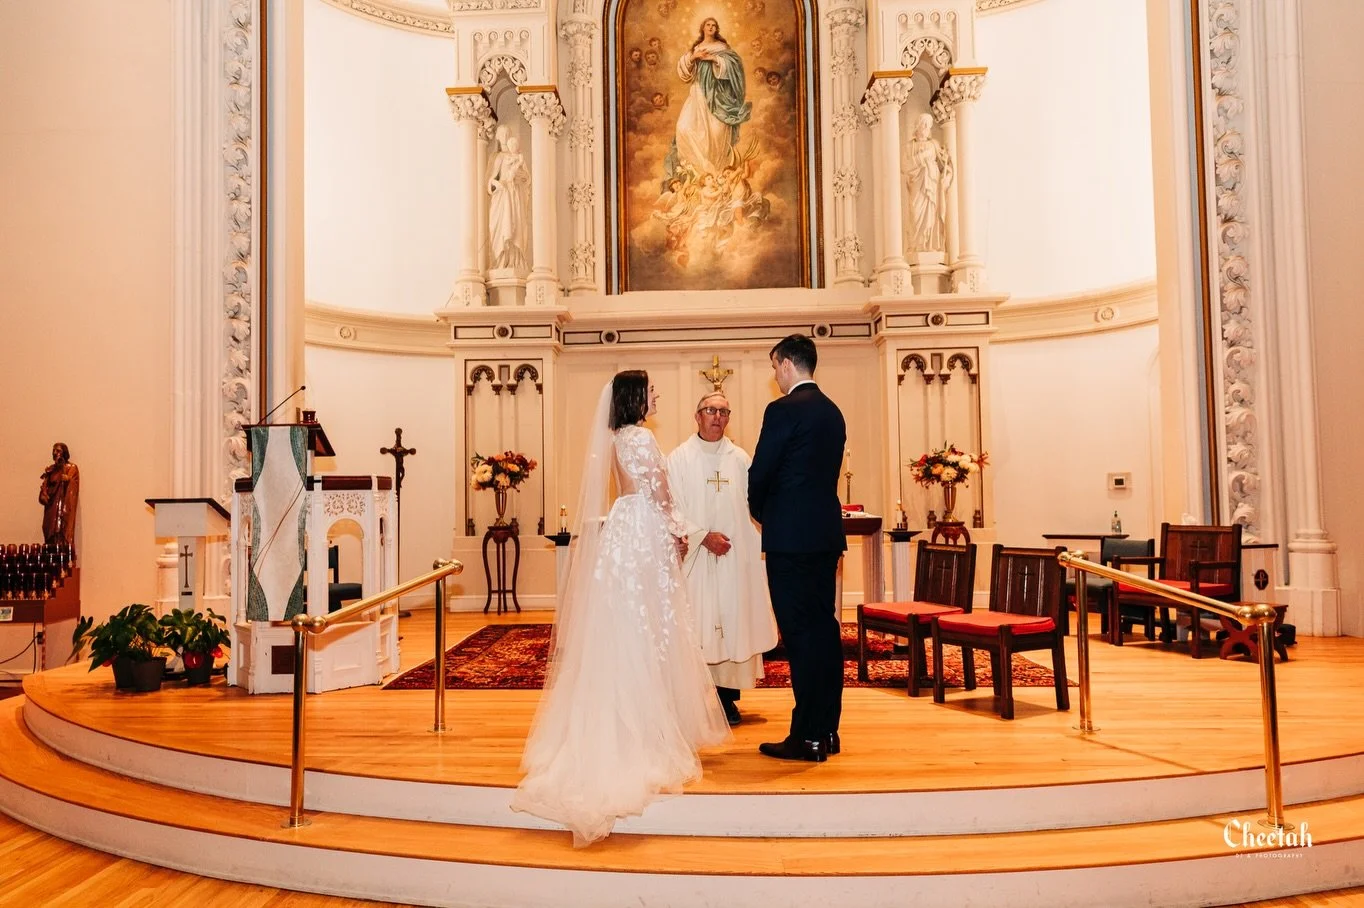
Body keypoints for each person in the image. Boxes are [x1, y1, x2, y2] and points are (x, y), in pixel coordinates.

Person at [511, 371, 729, 846]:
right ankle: (645, 733)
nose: (657, 397)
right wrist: (682, 531)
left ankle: (615, 722)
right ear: (634, 398)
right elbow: (660, 495)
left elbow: (631, 491)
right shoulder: (643, 439)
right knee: (652, 627)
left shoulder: (612, 439)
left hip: (622, 531)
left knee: (620, 628)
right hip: (645, 532)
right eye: (651, 392)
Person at [748, 335, 847, 762]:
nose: (775, 375)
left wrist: (765, 513)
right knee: (824, 632)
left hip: (791, 539)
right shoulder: (832, 411)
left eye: (775, 367)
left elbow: (761, 472)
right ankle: (827, 731)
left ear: (787, 364)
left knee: (802, 638)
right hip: (825, 535)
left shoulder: (782, 409)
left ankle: (805, 736)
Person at [667, 390, 778, 726]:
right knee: (699, 623)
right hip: (697, 558)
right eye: (710, 410)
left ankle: (727, 700)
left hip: (733, 559)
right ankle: (695, 700)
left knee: (732, 620)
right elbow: (672, 505)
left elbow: (754, 505)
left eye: (724, 412)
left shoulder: (741, 459)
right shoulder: (679, 459)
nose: (717, 416)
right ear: (697, 415)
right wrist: (703, 536)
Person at [673, 18, 752, 176]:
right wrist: (694, 57)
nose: (711, 27)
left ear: (717, 29)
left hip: (718, 96)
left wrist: (714, 59)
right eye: (708, 25)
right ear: (702, 28)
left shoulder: (722, 47)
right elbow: (683, 72)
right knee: (684, 128)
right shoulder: (696, 48)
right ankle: (699, 172)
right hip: (697, 94)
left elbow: (735, 67)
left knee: (716, 134)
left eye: (714, 25)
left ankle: (716, 174)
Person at [902, 112, 954, 254]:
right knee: (915, 213)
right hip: (917, 185)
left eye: (928, 125)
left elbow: (945, 166)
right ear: (917, 126)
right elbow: (905, 166)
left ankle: (930, 245)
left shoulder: (934, 145)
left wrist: (947, 173)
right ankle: (916, 245)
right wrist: (921, 158)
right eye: (923, 124)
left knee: (932, 214)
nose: (926, 127)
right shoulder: (909, 147)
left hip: (932, 183)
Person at [487, 127, 530, 272]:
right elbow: (491, 179)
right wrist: (496, 184)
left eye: (507, 134)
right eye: (502, 133)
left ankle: (515, 262)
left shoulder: (518, 157)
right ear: (498, 137)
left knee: (516, 226)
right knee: (501, 227)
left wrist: (520, 176)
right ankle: (500, 261)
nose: (505, 136)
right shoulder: (498, 157)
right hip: (503, 196)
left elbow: (526, 178)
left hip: (514, 195)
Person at [39, 442, 79, 547]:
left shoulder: (71, 468)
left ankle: (63, 551)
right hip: (51, 506)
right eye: (54, 450)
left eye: (58, 450)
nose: (55, 452)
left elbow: (74, 485)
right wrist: (44, 493)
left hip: (63, 505)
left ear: (64, 452)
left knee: (61, 529)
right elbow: (45, 486)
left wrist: (68, 479)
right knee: (48, 527)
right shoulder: (51, 470)